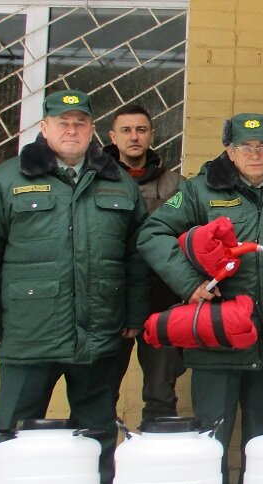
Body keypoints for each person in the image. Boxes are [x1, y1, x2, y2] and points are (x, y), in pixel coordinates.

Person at [0, 89, 149, 484]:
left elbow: (137, 257)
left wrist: (133, 316)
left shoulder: (117, 183)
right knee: (13, 429)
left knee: (98, 426)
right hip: (30, 332)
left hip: (98, 329)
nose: (71, 130)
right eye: (62, 122)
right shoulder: (8, 179)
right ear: (43, 129)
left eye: (80, 123)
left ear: (92, 131)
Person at [137, 113, 263, 484]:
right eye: (246, 147)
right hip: (218, 333)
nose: (256, 154)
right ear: (229, 150)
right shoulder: (199, 189)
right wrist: (190, 284)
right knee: (214, 430)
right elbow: (151, 235)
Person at [104, 103, 186, 421]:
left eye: (141, 130)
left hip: (162, 301)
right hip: (112, 302)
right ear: (112, 136)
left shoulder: (175, 186)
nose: (134, 137)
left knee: (161, 395)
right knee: (101, 391)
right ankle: (102, 469)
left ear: (152, 134)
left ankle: (156, 465)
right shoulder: (95, 182)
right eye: (125, 130)